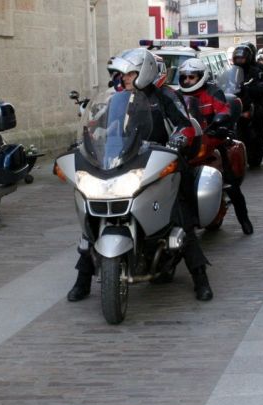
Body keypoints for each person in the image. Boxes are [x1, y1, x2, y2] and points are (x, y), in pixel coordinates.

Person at [67, 48, 214, 303]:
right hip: (128, 163)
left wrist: (179, 139)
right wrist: (89, 138)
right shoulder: (122, 99)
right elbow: (105, 123)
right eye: (123, 75)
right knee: (95, 212)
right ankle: (82, 280)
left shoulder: (167, 96)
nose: (123, 79)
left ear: (143, 72)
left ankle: (200, 278)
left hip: (161, 162)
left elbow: (185, 125)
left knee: (180, 215)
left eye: (129, 74)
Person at [178, 58, 253, 235]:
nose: (187, 81)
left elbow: (223, 110)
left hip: (212, 139)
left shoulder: (213, 92)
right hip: (188, 143)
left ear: (201, 77)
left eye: (192, 77)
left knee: (231, 183)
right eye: (185, 77)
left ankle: (244, 220)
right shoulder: (179, 96)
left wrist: (221, 123)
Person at [231, 44, 263, 163]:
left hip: (252, 101)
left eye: (242, 58)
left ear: (248, 58)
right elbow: (223, 83)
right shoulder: (231, 71)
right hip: (236, 102)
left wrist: (258, 87)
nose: (239, 61)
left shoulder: (256, 70)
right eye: (237, 58)